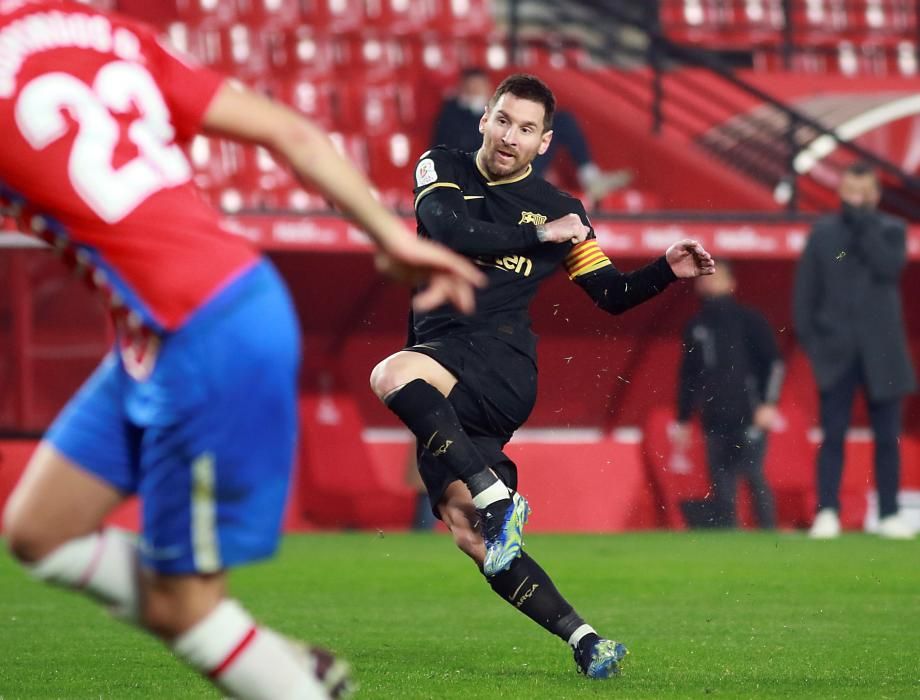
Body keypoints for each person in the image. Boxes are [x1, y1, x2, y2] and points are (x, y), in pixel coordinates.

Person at [0, 2, 484, 699]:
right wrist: (387, 234)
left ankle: (278, 674)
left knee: (183, 610)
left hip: (204, 337)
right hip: (186, 320)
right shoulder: (103, 32)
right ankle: (267, 655)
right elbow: (290, 130)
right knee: (38, 531)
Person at [370, 73, 714, 679]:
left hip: (498, 362)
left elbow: (610, 294)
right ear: (484, 119)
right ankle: (586, 640)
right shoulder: (442, 166)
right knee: (471, 535)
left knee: (391, 374)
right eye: (503, 120)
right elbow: (447, 228)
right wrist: (536, 236)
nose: (511, 136)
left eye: (526, 129)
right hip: (446, 363)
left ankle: (495, 496)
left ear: (544, 142)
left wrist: (665, 269)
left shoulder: (564, 210)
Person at [794, 162, 917, 540]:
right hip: (835, 352)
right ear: (840, 191)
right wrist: (817, 348)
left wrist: (865, 225)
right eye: (850, 191)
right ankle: (827, 512)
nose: (856, 199)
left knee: (887, 437)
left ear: (875, 195)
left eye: (863, 193)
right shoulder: (823, 234)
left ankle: (889, 513)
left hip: (884, 352)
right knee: (832, 435)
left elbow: (887, 267)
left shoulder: (892, 230)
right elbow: (804, 296)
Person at [672, 261, 784, 529]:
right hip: (713, 416)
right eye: (704, 277)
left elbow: (775, 364)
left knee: (753, 473)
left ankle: (769, 532)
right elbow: (688, 375)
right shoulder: (696, 325)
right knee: (720, 480)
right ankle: (729, 535)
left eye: (716, 277)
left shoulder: (750, 320)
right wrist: (683, 418)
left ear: (731, 283)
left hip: (749, 413)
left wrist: (769, 404)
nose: (709, 282)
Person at [431, 67, 631, 206]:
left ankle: (590, 177)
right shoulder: (452, 113)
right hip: (487, 172)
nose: (476, 91)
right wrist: (473, 112)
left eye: (480, 87)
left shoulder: (502, 110)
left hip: (521, 160)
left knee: (562, 120)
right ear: (462, 88)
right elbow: (455, 150)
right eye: (472, 87)